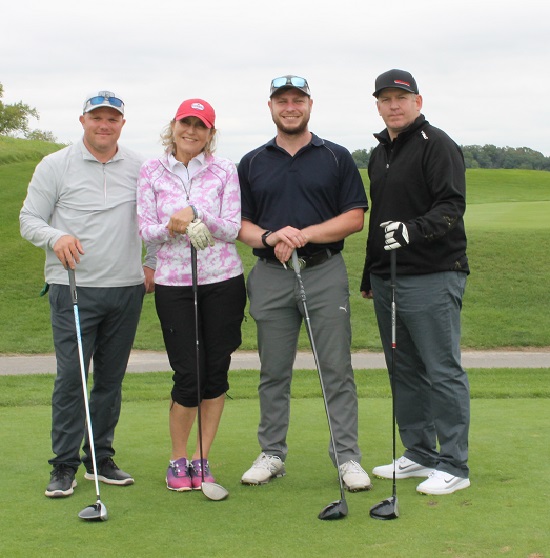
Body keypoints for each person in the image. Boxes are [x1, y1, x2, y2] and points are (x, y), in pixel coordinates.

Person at [237, 75, 371, 491]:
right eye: (282, 100)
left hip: (324, 272)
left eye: (298, 100)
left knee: (336, 369)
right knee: (273, 370)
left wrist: (303, 234)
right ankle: (272, 452)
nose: (290, 106)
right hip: (271, 276)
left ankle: (347, 458)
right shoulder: (253, 161)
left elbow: (355, 216)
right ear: (271, 107)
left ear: (309, 105)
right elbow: (239, 223)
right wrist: (271, 237)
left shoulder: (335, 156)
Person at [20, 90, 156, 498]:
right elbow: (29, 219)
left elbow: (152, 218)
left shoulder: (139, 166)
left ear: (122, 124)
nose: (104, 124)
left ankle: (99, 458)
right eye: (97, 117)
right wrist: (56, 235)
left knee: (110, 380)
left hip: (126, 289)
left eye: (112, 118)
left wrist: (150, 263)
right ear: (83, 121)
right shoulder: (55, 165)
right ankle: (63, 465)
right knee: (72, 379)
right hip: (72, 287)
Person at [360, 69, 471, 495]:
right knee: (403, 367)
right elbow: (379, 218)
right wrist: (370, 271)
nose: (393, 105)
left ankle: (454, 463)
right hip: (388, 278)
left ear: (417, 102)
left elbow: (451, 205)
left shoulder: (436, 144)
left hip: (434, 273)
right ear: (378, 105)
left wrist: (412, 230)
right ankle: (420, 452)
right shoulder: (379, 153)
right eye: (385, 99)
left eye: (401, 98)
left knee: (441, 369)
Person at [137, 98, 246, 492]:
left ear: (210, 133)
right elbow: (145, 229)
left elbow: (232, 228)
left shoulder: (224, 170)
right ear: (174, 125)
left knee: (216, 372)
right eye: (187, 123)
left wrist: (196, 211)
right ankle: (178, 457)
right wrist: (175, 225)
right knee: (189, 373)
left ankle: (201, 458)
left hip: (223, 280)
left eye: (201, 126)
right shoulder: (152, 170)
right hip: (174, 284)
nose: (192, 131)